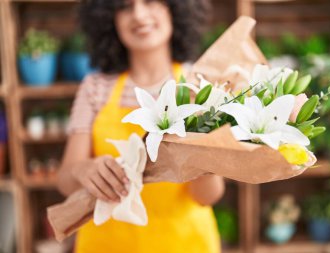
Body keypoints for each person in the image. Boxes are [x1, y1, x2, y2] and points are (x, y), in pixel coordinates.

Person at [56, 0, 225, 252]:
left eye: (150, 1)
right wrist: (83, 170)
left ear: (176, 9)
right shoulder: (95, 88)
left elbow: (208, 196)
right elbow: (65, 181)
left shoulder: (199, 87)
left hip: (185, 242)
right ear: (108, 18)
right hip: (106, 243)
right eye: (124, 6)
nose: (138, 14)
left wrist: (203, 162)